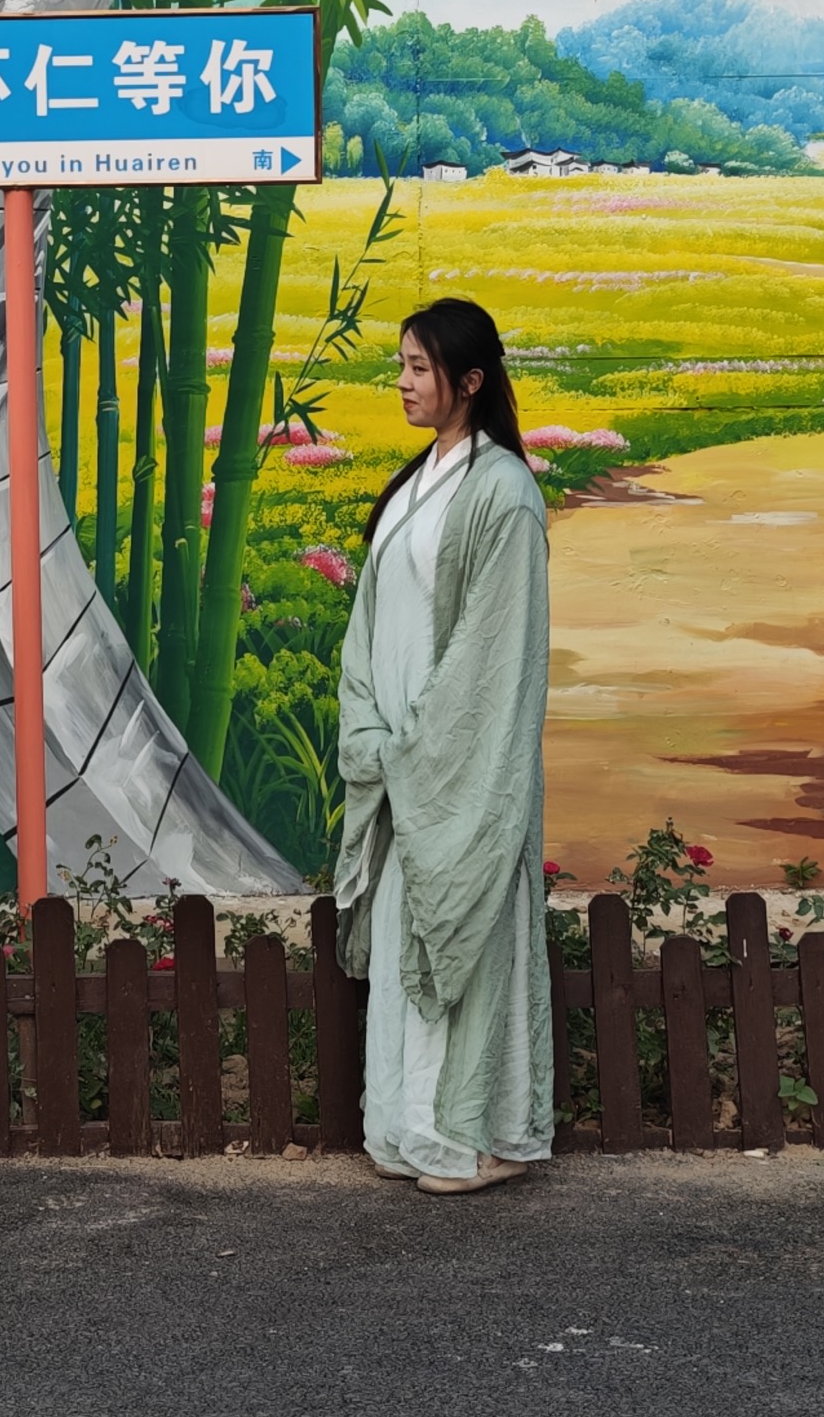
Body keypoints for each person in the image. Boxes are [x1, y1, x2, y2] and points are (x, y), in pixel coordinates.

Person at [333, 294, 554, 1194]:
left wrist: (424, 748)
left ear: (469, 381)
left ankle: (484, 1141)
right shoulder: (412, 486)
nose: (402, 382)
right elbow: (367, 630)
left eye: (419, 368)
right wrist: (374, 735)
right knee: (407, 951)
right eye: (401, 365)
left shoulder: (504, 494)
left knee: (472, 940)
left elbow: (495, 656)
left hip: (461, 771)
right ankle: (408, 1132)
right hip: (402, 765)